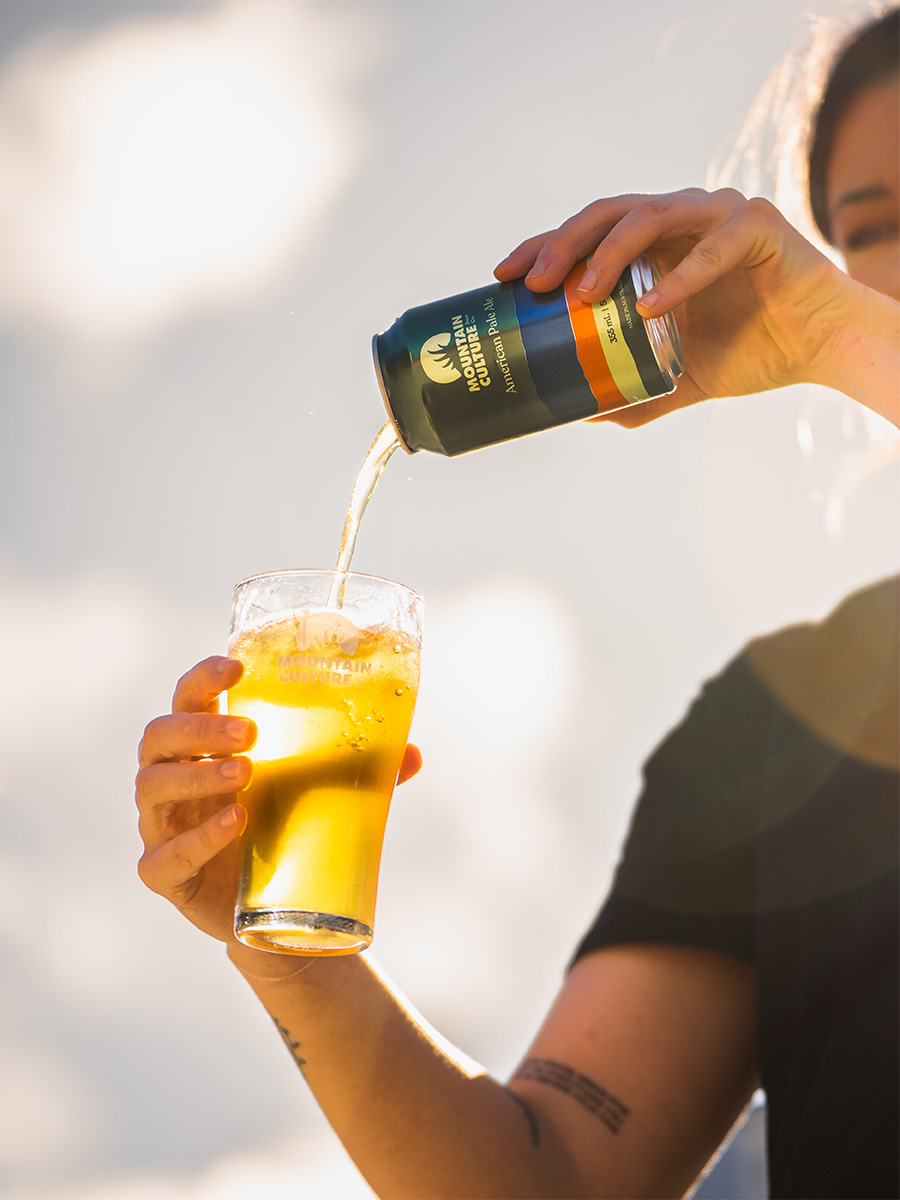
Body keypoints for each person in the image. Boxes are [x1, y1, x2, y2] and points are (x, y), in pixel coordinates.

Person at [136, 9, 899, 1197]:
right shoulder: (771, 732)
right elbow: (550, 1184)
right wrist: (288, 956)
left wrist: (842, 335)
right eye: (877, 230)